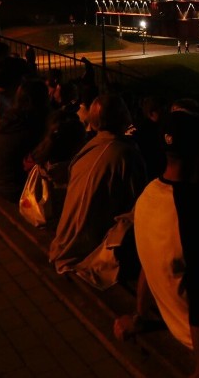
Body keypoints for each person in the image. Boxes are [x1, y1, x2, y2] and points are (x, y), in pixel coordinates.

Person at [113, 110, 199, 378]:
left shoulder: (147, 197)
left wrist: (140, 317)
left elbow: (147, 259)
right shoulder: (198, 212)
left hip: (175, 321)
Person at [49, 93, 147, 274]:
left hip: (66, 242)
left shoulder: (89, 148)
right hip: (87, 248)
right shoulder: (125, 153)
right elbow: (140, 203)